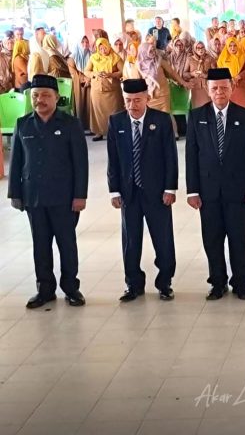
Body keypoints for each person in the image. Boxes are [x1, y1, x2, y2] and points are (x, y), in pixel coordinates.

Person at [8, 74, 89, 309]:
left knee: (67, 244)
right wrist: (15, 193)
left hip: (64, 198)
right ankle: (44, 289)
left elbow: (80, 164)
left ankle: (71, 288)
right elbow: (16, 163)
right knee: (40, 245)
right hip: (34, 197)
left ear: (56, 98)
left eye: (45, 95)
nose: (40, 100)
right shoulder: (23, 124)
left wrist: (80, 195)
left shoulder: (70, 124)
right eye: (35, 96)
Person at [186, 67, 245, 300]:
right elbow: (191, 156)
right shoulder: (197, 117)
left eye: (224, 87)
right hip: (207, 192)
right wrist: (192, 191)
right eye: (214, 88)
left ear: (231, 88)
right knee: (212, 238)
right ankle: (217, 282)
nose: (219, 92)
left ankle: (240, 283)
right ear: (208, 90)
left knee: (239, 238)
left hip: (237, 191)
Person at [107, 79, 178, 302]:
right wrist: (114, 191)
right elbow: (113, 160)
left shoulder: (162, 120)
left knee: (163, 239)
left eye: (137, 100)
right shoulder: (116, 121)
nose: (132, 105)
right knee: (130, 241)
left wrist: (170, 188)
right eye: (128, 101)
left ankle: (164, 283)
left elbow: (171, 158)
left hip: (157, 192)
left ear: (147, 97)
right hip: (129, 193)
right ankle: (133, 284)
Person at [133, 42, 186, 134]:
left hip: (163, 93)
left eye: (154, 50)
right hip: (150, 95)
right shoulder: (138, 64)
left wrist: (183, 82)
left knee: (166, 114)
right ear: (143, 52)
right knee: (151, 116)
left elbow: (172, 72)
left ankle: (173, 134)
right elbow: (137, 81)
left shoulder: (159, 60)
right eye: (150, 51)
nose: (153, 52)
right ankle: (156, 134)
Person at [85, 38, 124, 141]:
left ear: (108, 46)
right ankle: (99, 132)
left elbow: (123, 71)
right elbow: (86, 71)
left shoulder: (115, 57)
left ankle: (116, 131)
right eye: (100, 48)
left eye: (104, 48)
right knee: (97, 112)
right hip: (97, 90)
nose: (103, 50)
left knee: (115, 112)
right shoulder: (93, 58)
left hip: (113, 91)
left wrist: (111, 74)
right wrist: (95, 74)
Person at [217, 37, 245, 109]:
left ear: (237, 46)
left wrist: (238, 76)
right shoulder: (222, 58)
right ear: (227, 46)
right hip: (228, 87)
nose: (232, 48)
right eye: (230, 46)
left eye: (235, 45)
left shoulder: (243, 56)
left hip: (241, 86)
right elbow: (219, 72)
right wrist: (230, 78)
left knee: (244, 108)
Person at [68, 36, 93, 128]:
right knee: (79, 104)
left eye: (87, 42)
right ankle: (80, 125)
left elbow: (95, 68)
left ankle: (90, 125)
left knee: (90, 104)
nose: (85, 44)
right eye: (82, 42)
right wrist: (84, 78)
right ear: (79, 43)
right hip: (78, 84)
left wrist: (89, 78)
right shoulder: (72, 57)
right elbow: (72, 70)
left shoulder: (92, 55)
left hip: (90, 83)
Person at [184, 41, 215, 109]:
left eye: (202, 47)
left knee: (209, 109)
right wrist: (192, 74)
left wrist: (206, 75)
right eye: (198, 48)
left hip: (207, 88)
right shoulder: (190, 59)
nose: (200, 49)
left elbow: (215, 74)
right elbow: (184, 74)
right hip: (195, 88)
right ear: (195, 49)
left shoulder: (210, 58)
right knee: (198, 111)